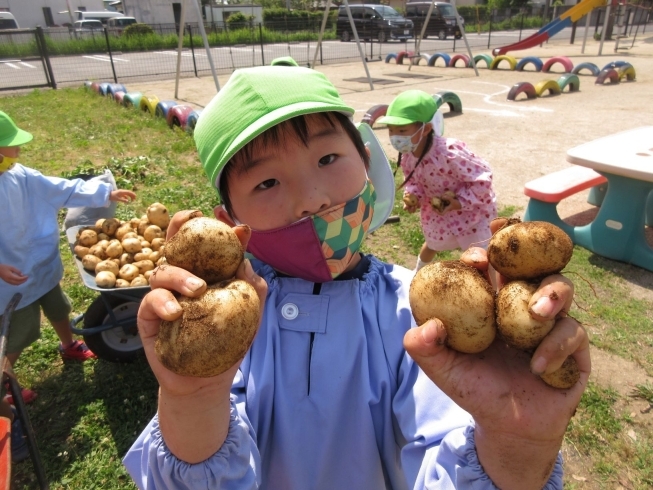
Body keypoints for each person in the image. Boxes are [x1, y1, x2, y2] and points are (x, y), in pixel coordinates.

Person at [123, 66, 590, 489]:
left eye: (327, 159)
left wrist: (516, 444)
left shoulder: (420, 315)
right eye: (266, 183)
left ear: (366, 162)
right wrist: (194, 395)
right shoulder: (222, 322)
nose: (311, 198)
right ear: (232, 223)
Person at [0, 110, 137, 405]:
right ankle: (3, 384)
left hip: (39, 263)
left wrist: (105, 194)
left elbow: (62, 188)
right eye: (11, 144)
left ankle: (69, 344)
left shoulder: (20, 176)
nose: (18, 149)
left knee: (58, 307)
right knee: (19, 334)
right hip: (11, 279)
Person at [378, 90, 498, 272]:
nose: (395, 137)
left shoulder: (448, 153)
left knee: (479, 256)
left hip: (470, 214)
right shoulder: (408, 156)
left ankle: (488, 289)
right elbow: (414, 181)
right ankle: (417, 274)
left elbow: (482, 178)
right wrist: (414, 196)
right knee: (432, 244)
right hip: (439, 215)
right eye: (391, 130)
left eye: (402, 130)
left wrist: (459, 202)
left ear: (425, 129)